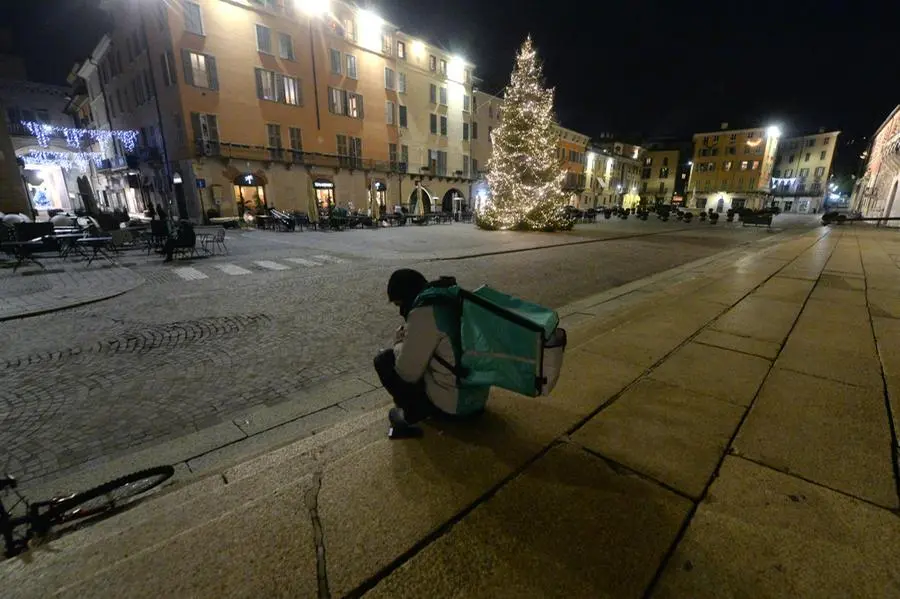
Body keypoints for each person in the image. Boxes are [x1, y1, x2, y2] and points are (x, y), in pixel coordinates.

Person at [373, 269, 486, 439]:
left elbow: (407, 373)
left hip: (454, 408)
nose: (400, 311)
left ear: (406, 298)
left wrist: (399, 342)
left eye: (399, 304)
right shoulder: (450, 297)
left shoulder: (423, 313)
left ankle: (412, 414)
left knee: (384, 360)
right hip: (478, 399)